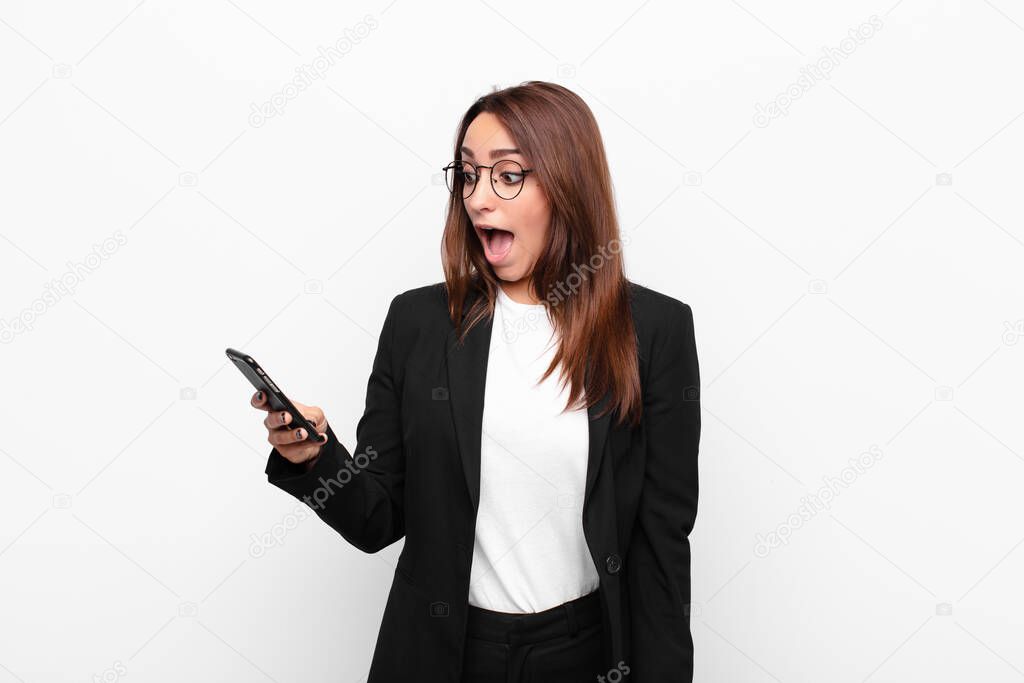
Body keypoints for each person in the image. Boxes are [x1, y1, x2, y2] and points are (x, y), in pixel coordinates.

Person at [252, 80, 701, 682]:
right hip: (448, 655)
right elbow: (377, 519)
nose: (479, 199)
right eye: (468, 175)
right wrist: (315, 457)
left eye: (508, 175)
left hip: (585, 655)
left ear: (569, 183)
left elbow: (660, 549)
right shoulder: (417, 324)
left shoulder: (655, 330)